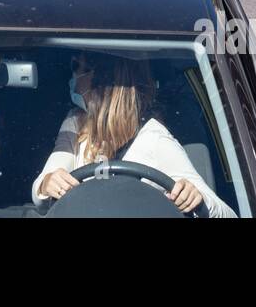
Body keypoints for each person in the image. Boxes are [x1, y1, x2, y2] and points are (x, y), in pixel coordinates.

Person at [32, 52, 235, 217]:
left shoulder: (154, 138)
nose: (73, 79)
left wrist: (197, 198)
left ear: (102, 81)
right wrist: (47, 183)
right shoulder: (75, 123)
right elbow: (43, 189)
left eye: (78, 68)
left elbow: (226, 214)